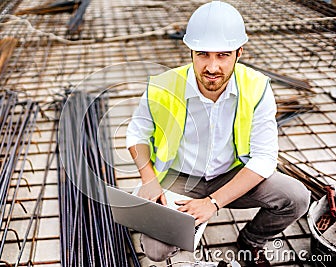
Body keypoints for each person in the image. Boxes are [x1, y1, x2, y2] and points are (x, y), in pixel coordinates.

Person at [125, 1, 311, 266]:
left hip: (229, 174)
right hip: (179, 177)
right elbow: (137, 134)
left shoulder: (257, 88)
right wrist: (149, 179)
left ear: (239, 52)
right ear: (190, 51)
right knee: (156, 250)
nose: (212, 67)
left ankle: (251, 241)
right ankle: (182, 237)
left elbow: (264, 159)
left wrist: (212, 203)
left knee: (296, 197)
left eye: (223, 55)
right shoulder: (162, 87)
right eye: (203, 54)